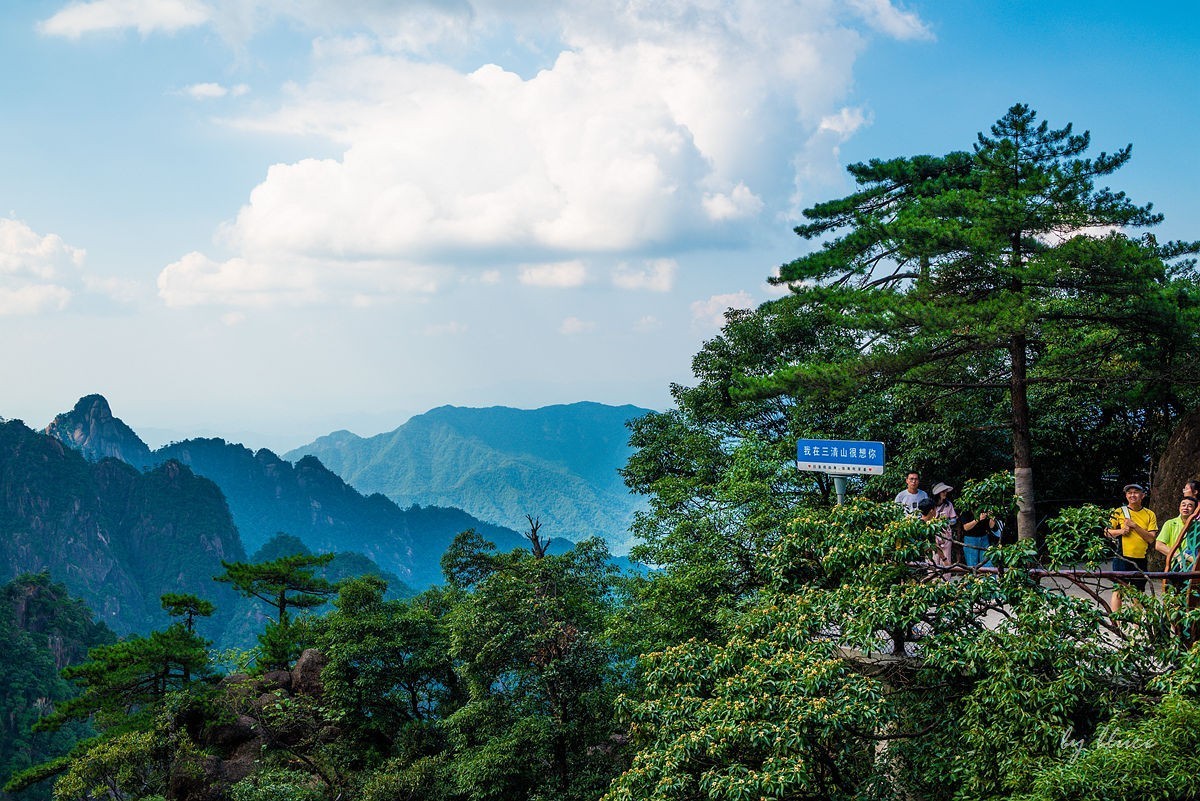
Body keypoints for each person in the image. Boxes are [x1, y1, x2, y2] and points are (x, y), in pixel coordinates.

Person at [1105, 483, 1159, 613]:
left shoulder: (1149, 514)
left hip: (1141, 557)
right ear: (1126, 495)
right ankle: (1116, 623)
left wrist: (1135, 526)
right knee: (1118, 590)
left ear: (1143, 495)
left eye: (1135, 492)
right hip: (1122, 556)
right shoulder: (1119, 512)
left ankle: (1137, 625)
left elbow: (1151, 538)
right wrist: (1120, 531)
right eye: (1129, 493)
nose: (1132, 495)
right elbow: (1106, 532)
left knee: (1138, 593)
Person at [1156, 496, 1200, 573]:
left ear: (1195, 510)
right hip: (1176, 566)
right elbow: (1159, 545)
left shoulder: (1198, 526)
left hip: (1194, 566)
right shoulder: (1170, 523)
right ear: (1179, 507)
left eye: (1190, 506)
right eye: (1183, 505)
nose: (1186, 508)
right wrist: (1179, 556)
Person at [930, 482, 957, 567]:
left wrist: (946, 522)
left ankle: (946, 579)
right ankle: (933, 579)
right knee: (933, 559)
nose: (945, 493)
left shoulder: (948, 505)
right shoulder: (931, 505)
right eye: (943, 491)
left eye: (945, 491)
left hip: (946, 535)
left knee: (946, 558)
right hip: (933, 534)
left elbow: (954, 519)